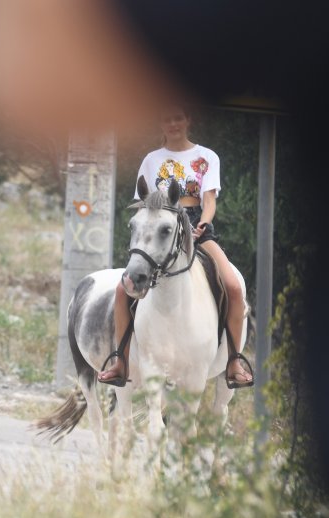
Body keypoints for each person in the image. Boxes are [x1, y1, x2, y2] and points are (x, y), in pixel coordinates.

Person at [97, 105, 254, 389]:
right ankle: (121, 359)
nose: (173, 123)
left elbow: (209, 201)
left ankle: (233, 361)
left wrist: (203, 224)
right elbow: (144, 203)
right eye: (167, 118)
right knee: (124, 288)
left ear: (188, 120)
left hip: (195, 227)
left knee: (233, 286)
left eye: (178, 117)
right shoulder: (151, 160)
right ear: (161, 123)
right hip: (159, 231)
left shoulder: (206, 157)